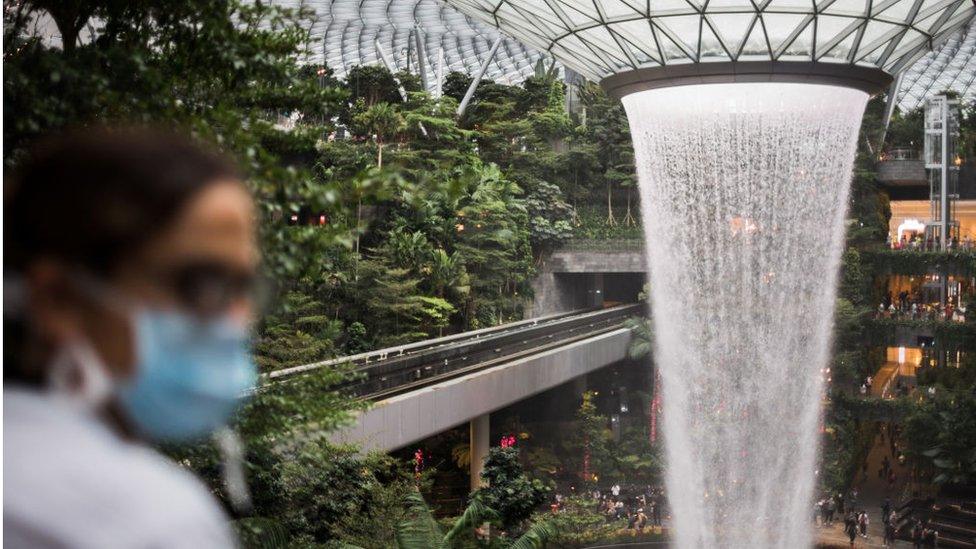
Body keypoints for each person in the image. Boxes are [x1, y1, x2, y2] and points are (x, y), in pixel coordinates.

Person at [4, 129, 259, 548]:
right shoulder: (147, 522)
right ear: (59, 299)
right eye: (201, 285)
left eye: (242, 288)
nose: (235, 319)